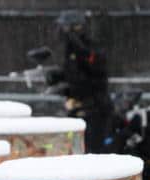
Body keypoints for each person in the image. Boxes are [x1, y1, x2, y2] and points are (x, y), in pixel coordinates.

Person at [47, 10, 114, 153]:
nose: (62, 33)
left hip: (95, 110)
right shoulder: (71, 50)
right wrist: (58, 77)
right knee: (74, 149)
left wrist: (77, 45)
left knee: (92, 152)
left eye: (66, 28)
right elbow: (75, 74)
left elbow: (95, 71)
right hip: (77, 108)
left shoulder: (90, 47)